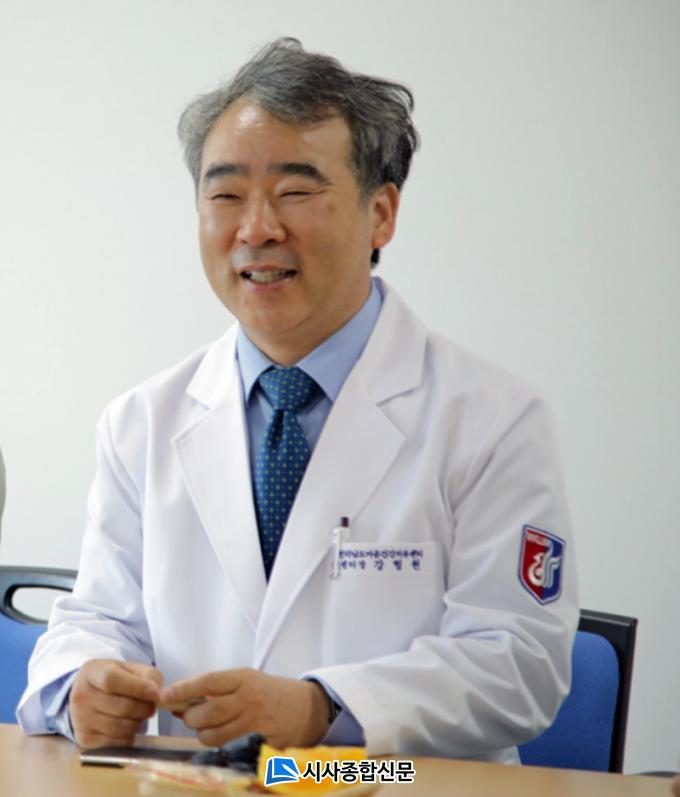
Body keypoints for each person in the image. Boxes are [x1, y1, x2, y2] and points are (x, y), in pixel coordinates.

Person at [17, 38, 578, 763]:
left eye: (295, 192)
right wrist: (82, 684)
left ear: (381, 214)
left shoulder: (492, 419)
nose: (256, 229)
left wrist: (322, 707)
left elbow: (520, 664)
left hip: (392, 785)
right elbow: (95, 617)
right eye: (225, 196)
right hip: (197, 785)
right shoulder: (141, 421)